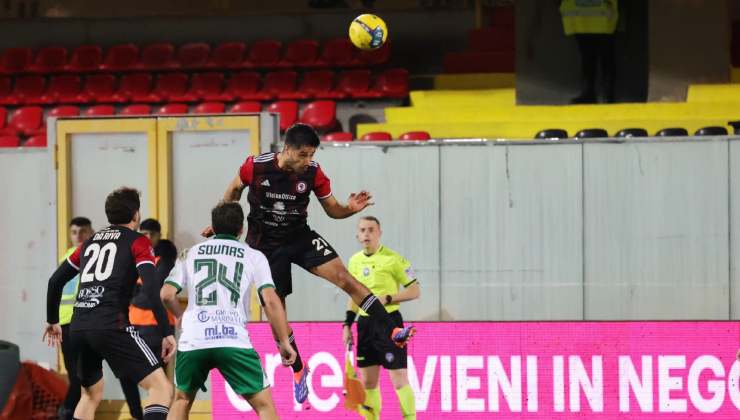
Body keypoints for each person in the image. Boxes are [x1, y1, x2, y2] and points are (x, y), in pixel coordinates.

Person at [202, 123, 415, 403]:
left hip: (299, 237)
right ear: (287, 149)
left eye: (311, 154)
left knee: (345, 278)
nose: (308, 161)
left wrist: (349, 209)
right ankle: (299, 370)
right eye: (303, 154)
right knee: (275, 311)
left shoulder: (314, 173)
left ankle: (393, 329)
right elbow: (232, 193)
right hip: (264, 246)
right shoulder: (254, 167)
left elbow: (333, 210)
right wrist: (222, 227)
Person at [44, 187, 175, 420]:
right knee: (161, 388)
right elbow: (152, 288)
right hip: (112, 325)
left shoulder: (88, 244)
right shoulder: (138, 241)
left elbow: (55, 281)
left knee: (90, 396)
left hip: (79, 328)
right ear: (136, 215)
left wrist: (52, 320)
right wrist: (166, 332)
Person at [161, 202, 296, 420]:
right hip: (233, 340)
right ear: (241, 228)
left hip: (195, 339)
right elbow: (270, 301)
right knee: (264, 406)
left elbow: (166, 294)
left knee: (182, 400)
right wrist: (283, 341)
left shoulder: (190, 253)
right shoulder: (254, 256)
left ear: (212, 227)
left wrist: (180, 316)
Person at [342, 216, 420, 420]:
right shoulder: (354, 261)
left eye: (371, 230)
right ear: (358, 235)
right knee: (368, 383)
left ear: (379, 233)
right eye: (362, 230)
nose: (366, 234)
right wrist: (347, 324)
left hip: (390, 323)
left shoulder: (393, 259)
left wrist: (389, 298)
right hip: (365, 324)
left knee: (399, 379)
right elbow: (353, 295)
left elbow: (414, 291)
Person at [121, 218, 178, 420]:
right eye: (143, 233)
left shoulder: (165, 259)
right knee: (125, 374)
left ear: (158, 235)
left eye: (151, 234)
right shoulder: (136, 255)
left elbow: (149, 295)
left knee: (158, 379)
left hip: (157, 327)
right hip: (133, 325)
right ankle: (137, 415)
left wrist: (136, 294)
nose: (147, 238)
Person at [57, 217, 94, 420]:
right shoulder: (81, 255)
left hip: (74, 322)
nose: (78, 236)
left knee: (79, 377)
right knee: (80, 378)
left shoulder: (70, 256)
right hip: (70, 323)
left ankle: (68, 413)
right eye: (74, 232)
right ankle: (67, 414)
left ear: (91, 232)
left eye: (83, 231)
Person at [559, 0, 619, 103]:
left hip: (585, 14)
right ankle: (599, 94)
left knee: (594, 55)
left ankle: (597, 93)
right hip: (595, 14)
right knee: (594, 55)